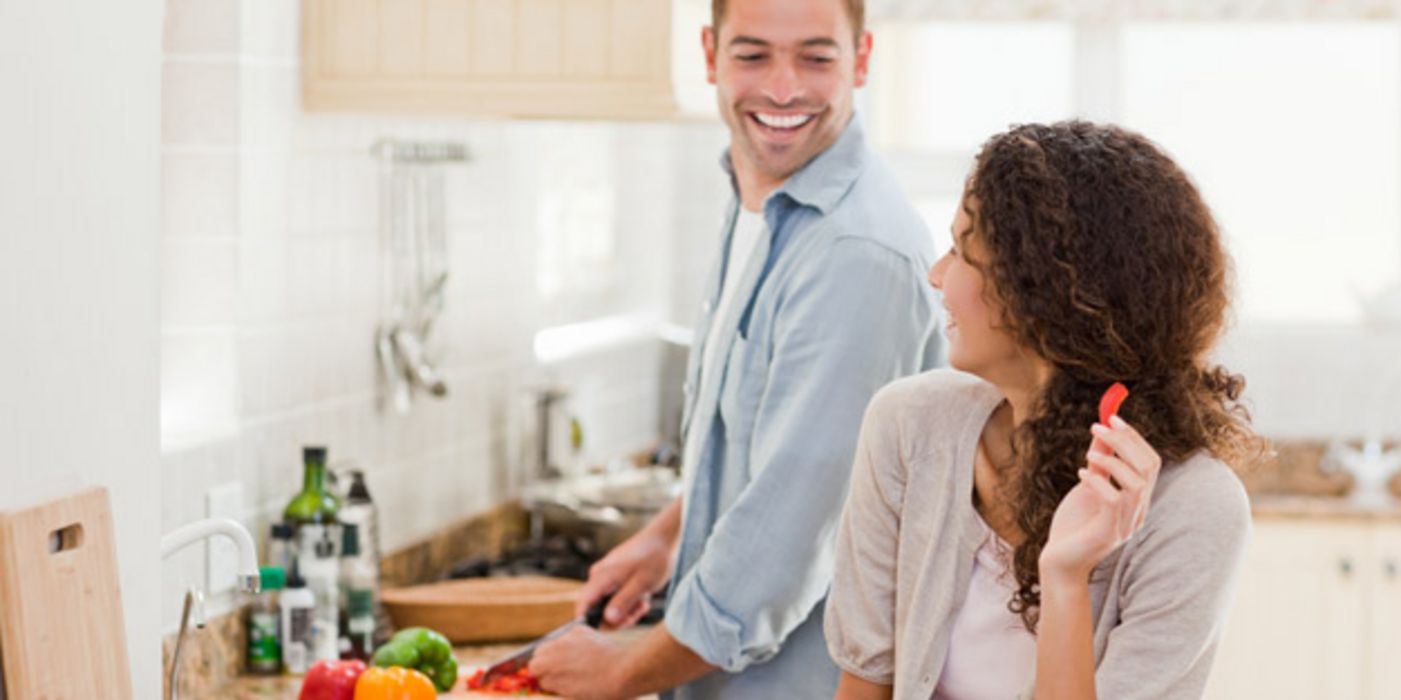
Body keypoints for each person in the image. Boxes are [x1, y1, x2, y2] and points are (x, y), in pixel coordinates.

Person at [529, 0, 941, 698]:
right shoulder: (761, 200)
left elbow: (787, 538)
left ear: (861, 59)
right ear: (709, 55)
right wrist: (667, 537)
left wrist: (625, 671)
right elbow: (753, 441)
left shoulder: (852, 254)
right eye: (752, 55)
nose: (782, 89)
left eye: (815, 56)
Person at [825, 120, 1265, 700]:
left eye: (961, 251)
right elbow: (865, 686)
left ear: (1039, 295)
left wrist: (1064, 578)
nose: (937, 274)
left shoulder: (1193, 508)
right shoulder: (909, 426)